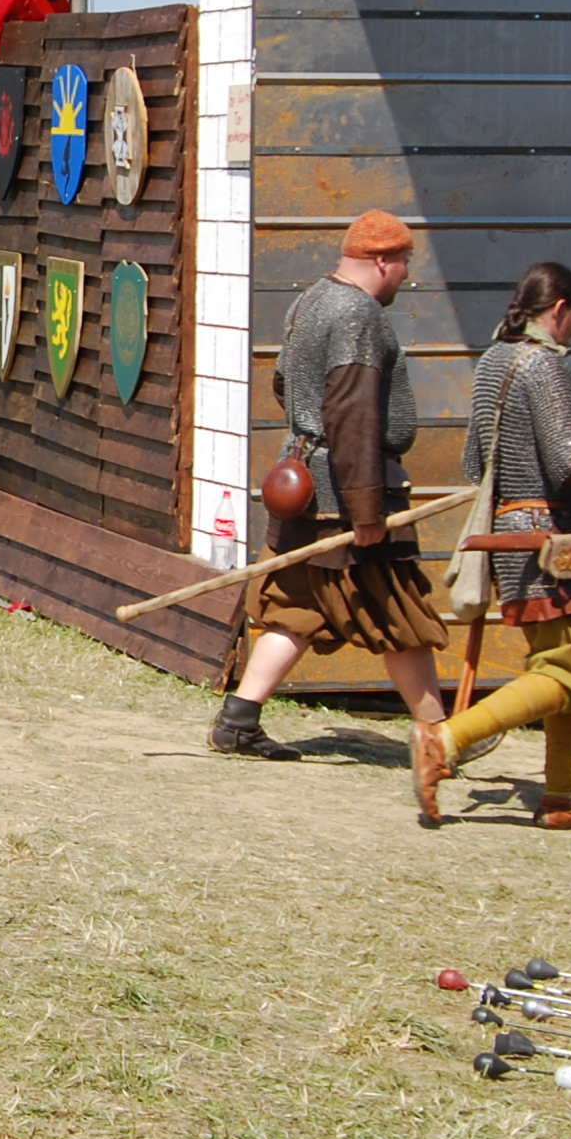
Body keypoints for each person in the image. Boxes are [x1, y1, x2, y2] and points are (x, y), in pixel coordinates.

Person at [417, 263, 571, 827]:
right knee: (569, 671)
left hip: (519, 532)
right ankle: (444, 740)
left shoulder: (494, 358)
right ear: (561, 308)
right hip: (548, 541)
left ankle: (561, 799)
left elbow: (475, 462)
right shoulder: (543, 364)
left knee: (570, 664)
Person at [209, 208, 444, 760]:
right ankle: (441, 735)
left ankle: (238, 720)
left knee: (298, 606)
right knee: (396, 608)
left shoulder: (310, 300)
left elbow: (285, 384)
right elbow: (353, 416)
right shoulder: (358, 314)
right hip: (344, 492)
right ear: (381, 260)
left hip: (308, 481)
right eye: (404, 262)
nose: (407, 273)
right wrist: (366, 510)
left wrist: (308, 436)